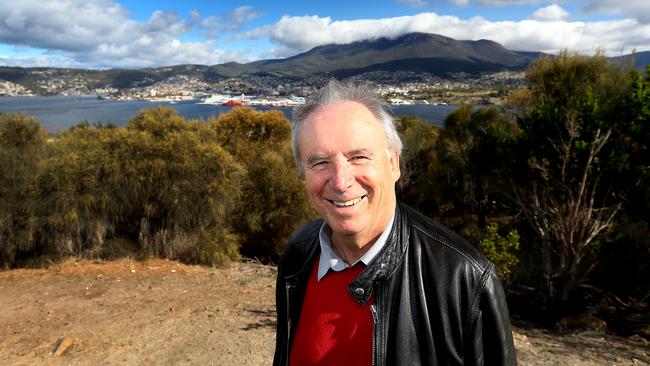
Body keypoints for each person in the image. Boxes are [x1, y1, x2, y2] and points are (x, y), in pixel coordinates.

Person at [274, 79, 517, 366]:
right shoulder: (299, 255)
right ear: (303, 174)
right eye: (320, 163)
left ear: (393, 165)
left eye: (359, 157)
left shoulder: (463, 279)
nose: (340, 182)